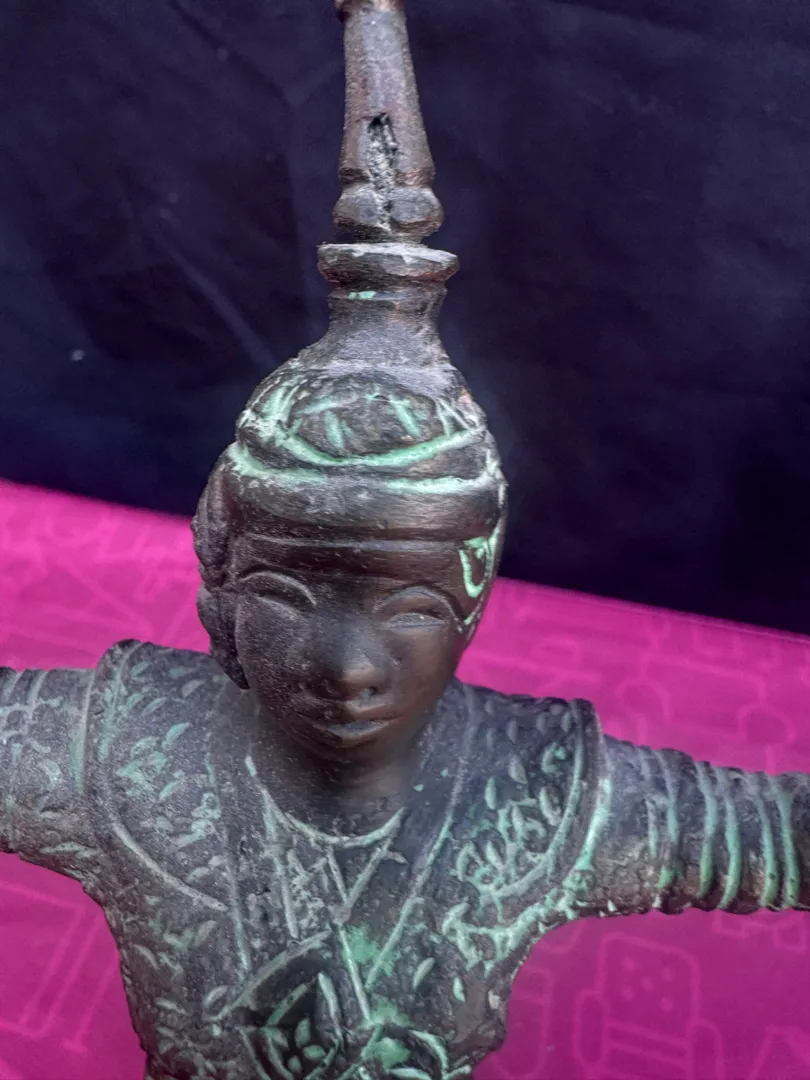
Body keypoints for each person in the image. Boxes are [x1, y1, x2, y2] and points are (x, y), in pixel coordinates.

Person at [1, 2, 809, 1079]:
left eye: (410, 607)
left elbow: (776, 836)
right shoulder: (123, 754)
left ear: (472, 601)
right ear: (219, 594)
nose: (349, 667)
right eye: (288, 597)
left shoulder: (538, 794)